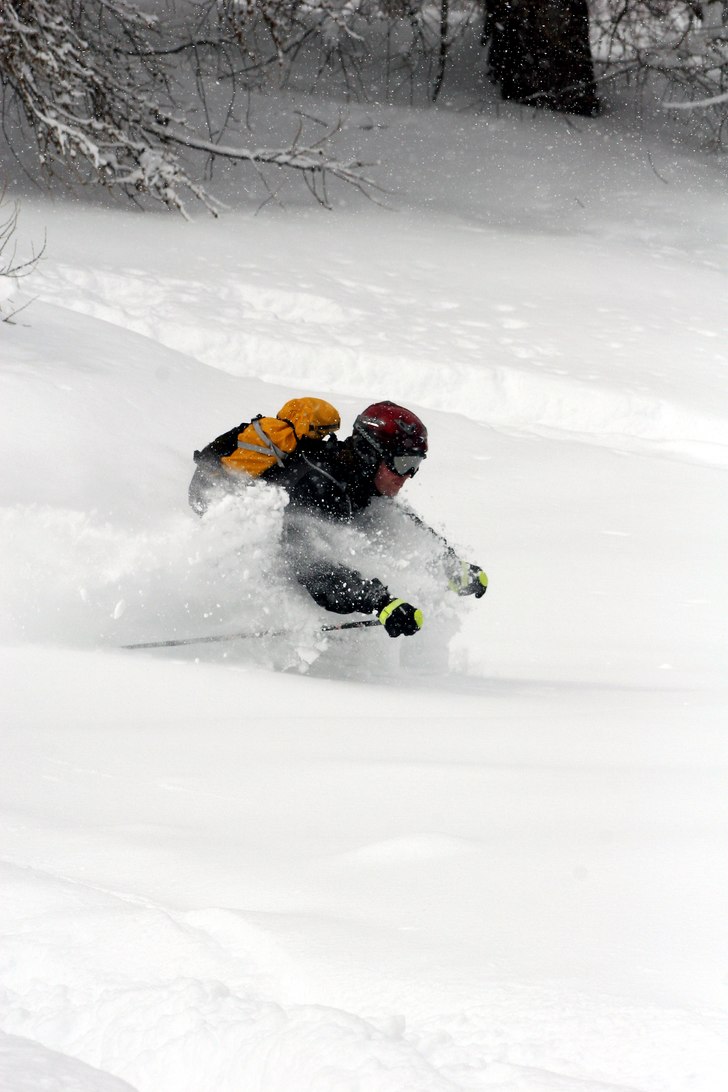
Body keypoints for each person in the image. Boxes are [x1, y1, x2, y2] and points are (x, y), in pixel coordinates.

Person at [272, 401, 488, 638]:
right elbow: (310, 565)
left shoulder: (363, 485)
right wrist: (381, 602)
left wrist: (449, 567)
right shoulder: (318, 486)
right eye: (401, 463)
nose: (407, 476)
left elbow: (402, 528)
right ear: (369, 453)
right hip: (269, 594)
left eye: (414, 465)